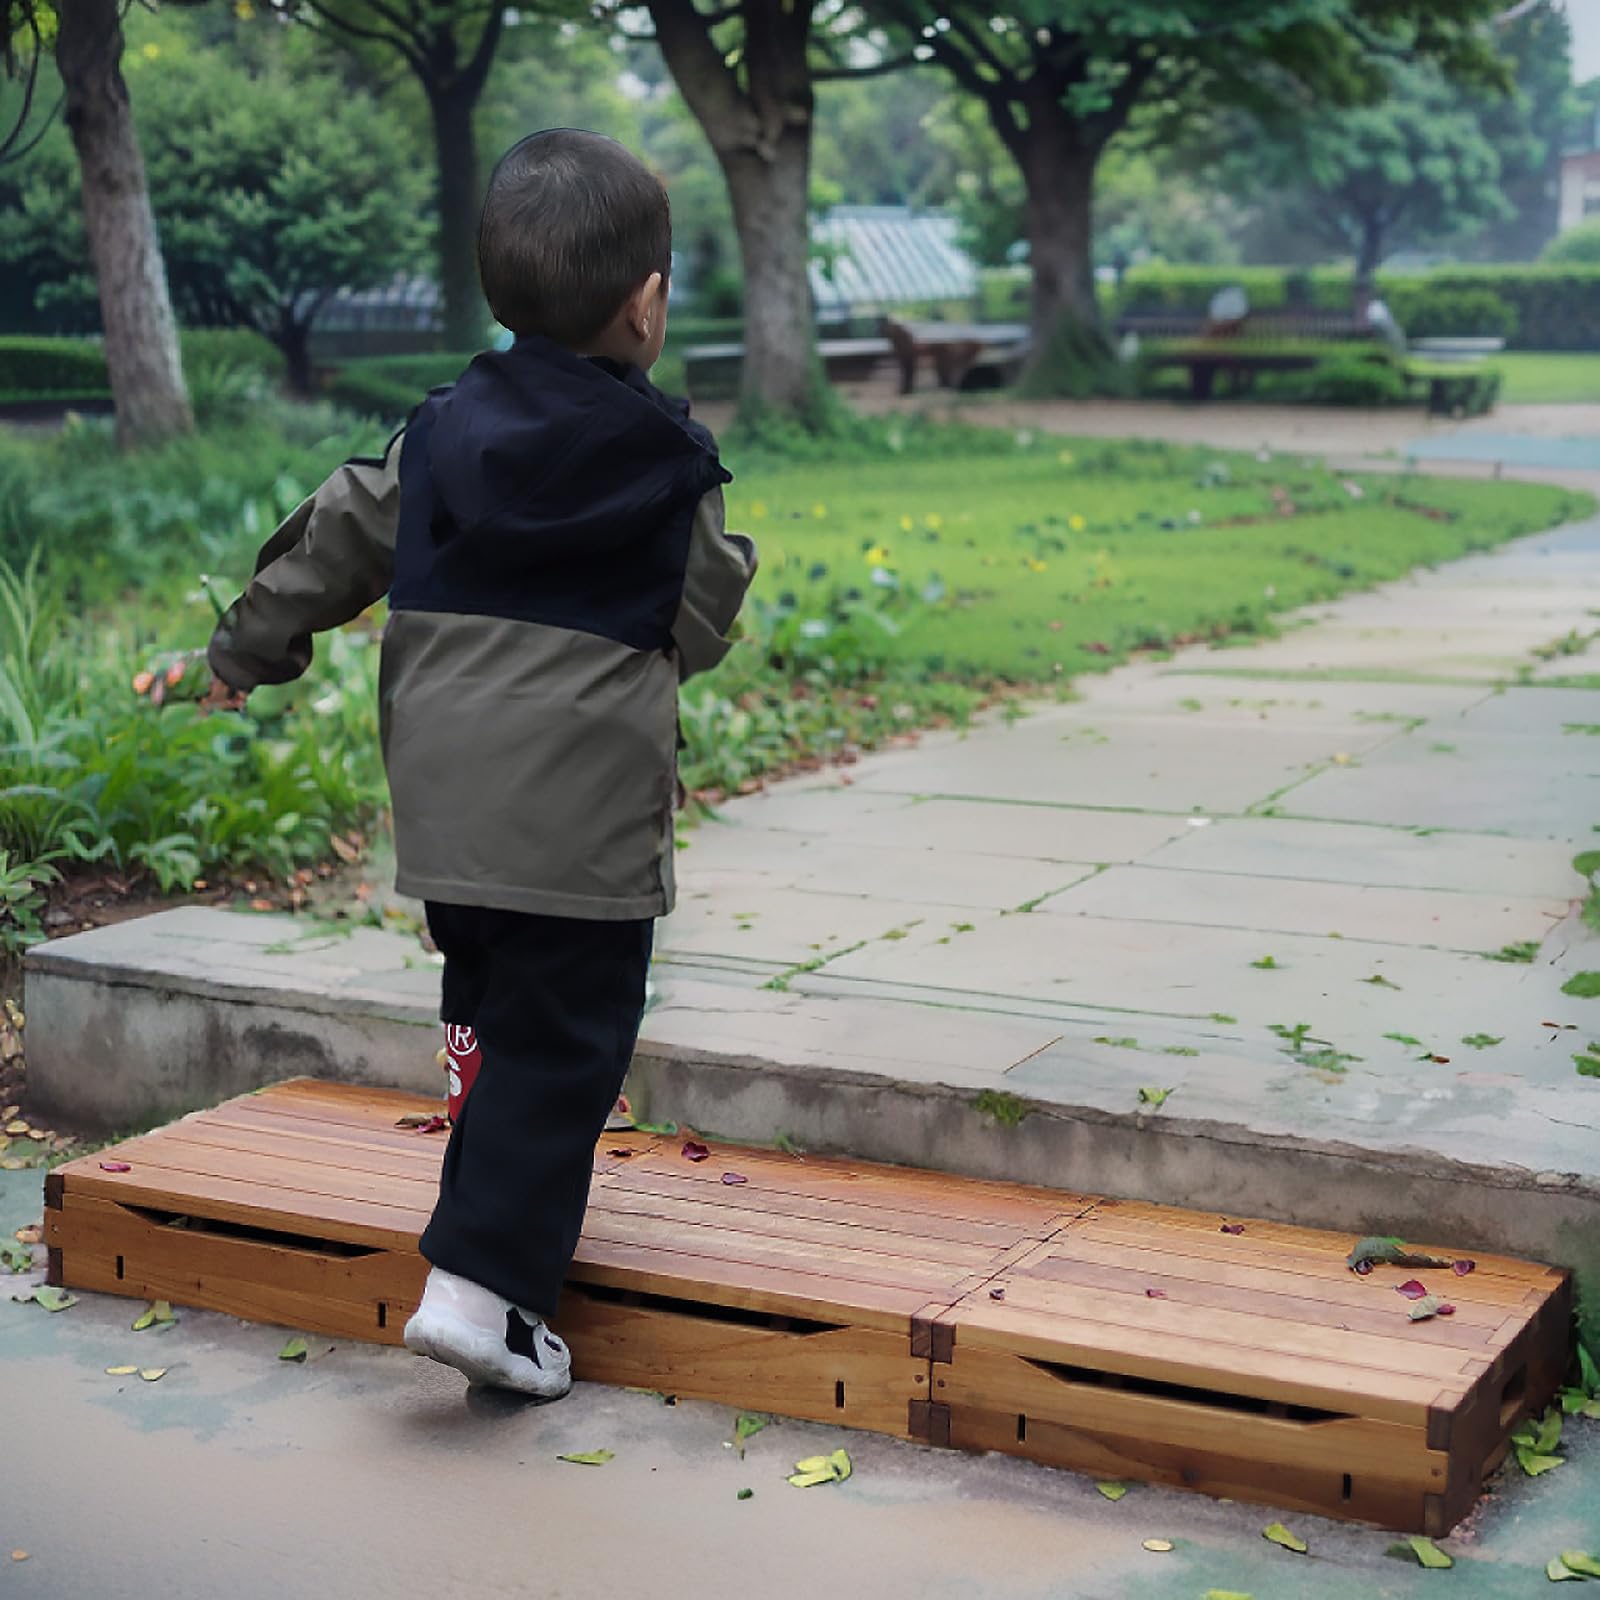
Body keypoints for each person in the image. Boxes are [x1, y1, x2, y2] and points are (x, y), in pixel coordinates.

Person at [204, 129, 757, 1397]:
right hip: (583, 827)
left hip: (447, 806)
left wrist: (246, 650)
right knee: (568, 1042)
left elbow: (332, 537)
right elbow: (705, 622)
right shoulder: (671, 466)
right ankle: (481, 1290)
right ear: (648, 302)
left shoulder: (437, 432)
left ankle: (484, 1154)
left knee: (497, 993)